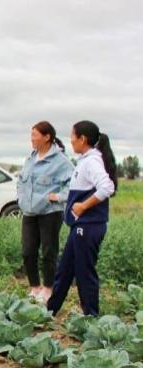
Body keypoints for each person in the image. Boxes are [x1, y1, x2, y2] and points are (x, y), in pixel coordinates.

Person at [47, 121, 117, 317]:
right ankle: (50, 310)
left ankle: (91, 317)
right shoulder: (85, 161)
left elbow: (107, 188)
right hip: (79, 226)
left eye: (72, 137)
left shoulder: (92, 162)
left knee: (84, 272)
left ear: (82, 139)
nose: (71, 141)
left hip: (88, 226)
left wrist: (84, 206)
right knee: (65, 269)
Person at [17, 121, 74, 303]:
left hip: (50, 213)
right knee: (28, 251)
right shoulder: (31, 158)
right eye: (31, 135)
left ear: (47, 137)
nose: (32, 139)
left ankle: (48, 289)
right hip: (30, 213)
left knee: (49, 252)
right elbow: (21, 181)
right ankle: (34, 287)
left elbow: (73, 185)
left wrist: (57, 197)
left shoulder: (61, 161)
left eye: (35, 135)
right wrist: (21, 198)